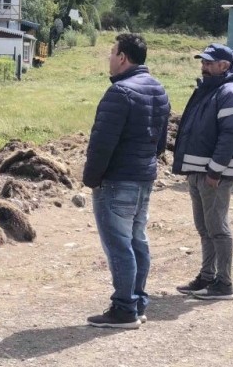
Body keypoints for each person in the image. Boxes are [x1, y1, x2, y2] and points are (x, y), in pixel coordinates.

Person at [83, 33, 171, 329]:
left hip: (117, 180)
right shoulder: (158, 89)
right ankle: (138, 302)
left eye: (111, 52)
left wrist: (91, 178)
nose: (108, 57)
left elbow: (102, 143)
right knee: (137, 241)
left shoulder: (119, 92)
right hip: (144, 178)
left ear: (123, 57)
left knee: (119, 246)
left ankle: (124, 309)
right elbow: (160, 142)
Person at [172, 43, 233, 301]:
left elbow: (231, 136)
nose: (203, 66)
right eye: (203, 61)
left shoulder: (232, 93)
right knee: (204, 227)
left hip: (213, 175)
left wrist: (215, 171)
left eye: (208, 62)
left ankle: (224, 283)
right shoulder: (210, 89)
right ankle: (207, 276)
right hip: (199, 172)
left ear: (224, 66)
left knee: (217, 227)